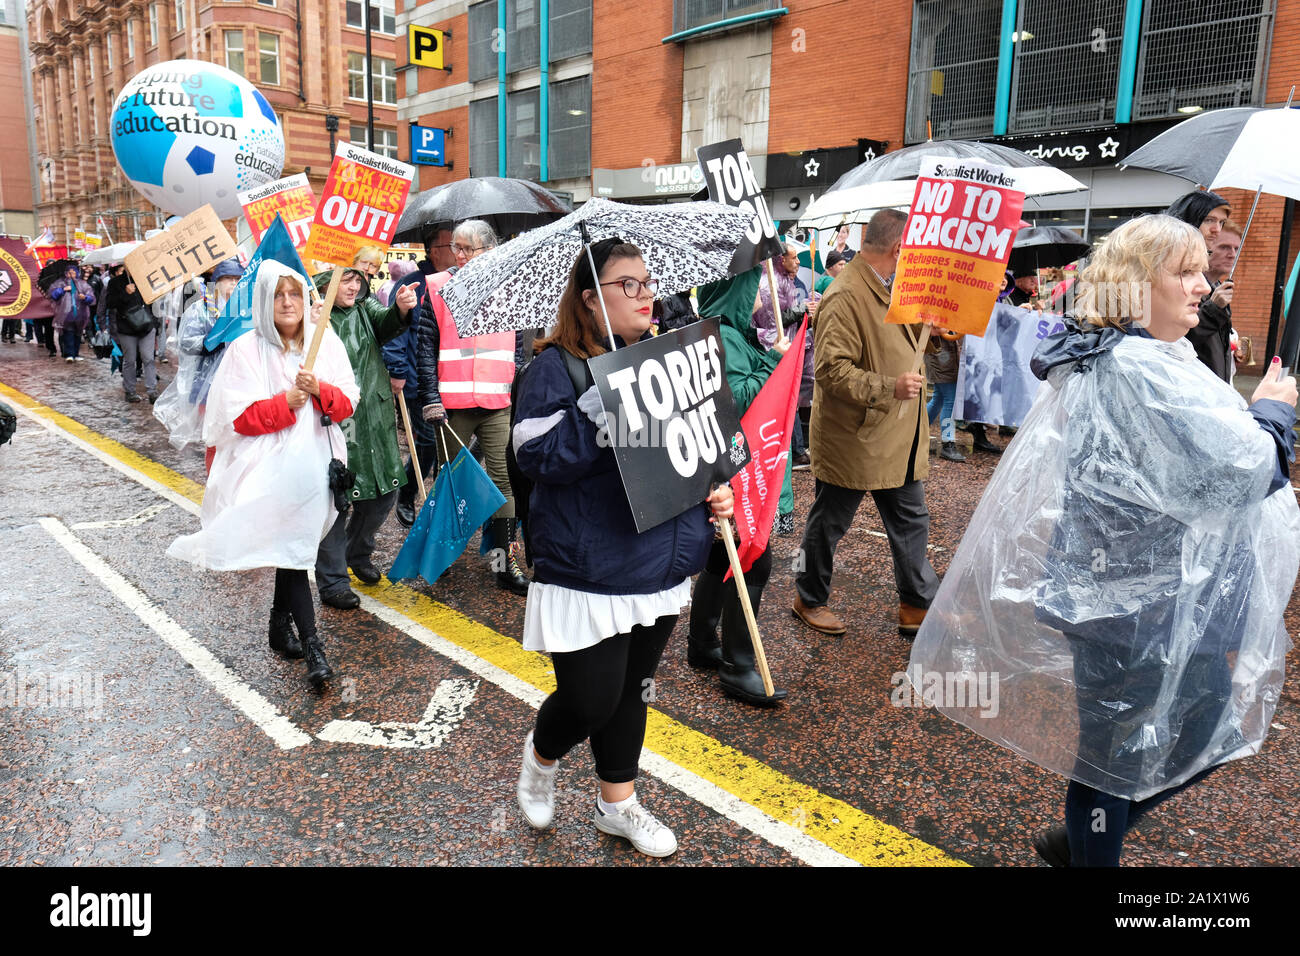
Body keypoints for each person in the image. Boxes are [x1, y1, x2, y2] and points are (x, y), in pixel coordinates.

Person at [909, 214, 1299, 867]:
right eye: (1186, 271)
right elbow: (1238, 471)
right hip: (1121, 602)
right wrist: (1271, 414)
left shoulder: (1144, 355)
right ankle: (1093, 846)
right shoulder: (1135, 366)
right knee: (1112, 758)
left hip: (1150, 593)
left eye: (1206, 269)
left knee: (1201, 735)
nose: (1204, 285)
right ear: (1136, 285)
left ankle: (1086, 836)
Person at [511, 237, 734, 857]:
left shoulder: (668, 362)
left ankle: (618, 804)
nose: (645, 294)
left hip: (660, 563)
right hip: (588, 567)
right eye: (628, 285)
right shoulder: (554, 367)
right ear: (591, 300)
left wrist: (715, 494)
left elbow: (695, 455)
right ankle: (541, 755)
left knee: (635, 689)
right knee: (589, 698)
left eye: (646, 282)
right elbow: (534, 458)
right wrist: (594, 413)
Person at [167, 262, 359, 688]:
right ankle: (313, 646)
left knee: (290, 545)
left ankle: (278, 624)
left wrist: (320, 391)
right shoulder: (244, 350)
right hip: (265, 467)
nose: (287, 303)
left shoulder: (324, 341)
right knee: (291, 547)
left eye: (294, 294)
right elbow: (238, 418)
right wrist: (286, 401)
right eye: (278, 295)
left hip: (315, 465)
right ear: (264, 301)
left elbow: (346, 403)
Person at [791, 207, 939, 638]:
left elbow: (898, 341)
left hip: (894, 433)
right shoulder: (846, 294)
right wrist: (889, 386)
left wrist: (930, 329)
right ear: (898, 248)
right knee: (830, 522)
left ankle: (916, 602)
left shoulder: (886, 285)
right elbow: (831, 371)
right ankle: (808, 597)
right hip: (855, 437)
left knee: (912, 519)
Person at [688, 266, 790, 706]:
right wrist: (775, 360)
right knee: (752, 560)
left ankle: (702, 640)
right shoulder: (723, 336)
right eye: (752, 287)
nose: (760, 295)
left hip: (736, 463)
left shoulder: (729, 331)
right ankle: (738, 665)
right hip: (737, 468)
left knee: (720, 551)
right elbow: (736, 400)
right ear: (735, 290)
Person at [416, 219, 529, 595]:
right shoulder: (437, 288)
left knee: (503, 483)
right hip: (453, 405)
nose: (458, 255)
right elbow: (426, 347)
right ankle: (442, 554)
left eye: (467, 248)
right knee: (451, 482)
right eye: (456, 248)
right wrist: (431, 397)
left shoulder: (510, 287)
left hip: (497, 402)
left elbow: (516, 347)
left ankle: (504, 563)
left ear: (490, 250)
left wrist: (517, 384)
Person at [313, 265, 419, 609]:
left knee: (384, 493)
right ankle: (333, 581)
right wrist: (309, 324)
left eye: (358, 279)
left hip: (375, 415)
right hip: (337, 419)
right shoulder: (314, 314)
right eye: (346, 278)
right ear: (326, 283)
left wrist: (402, 307)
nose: (354, 285)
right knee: (337, 500)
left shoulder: (365, 308)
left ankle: (357, 553)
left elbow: (389, 322)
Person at [155, 259, 243, 451]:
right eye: (228, 278)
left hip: (240, 380)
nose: (233, 283)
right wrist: (212, 342)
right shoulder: (201, 308)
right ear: (217, 281)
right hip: (209, 383)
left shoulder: (247, 309)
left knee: (239, 434)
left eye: (238, 279)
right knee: (215, 438)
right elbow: (187, 341)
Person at [1166, 190, 1234, 382]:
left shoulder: (1210, 281)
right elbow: (1172, 338)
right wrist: (1213, 309)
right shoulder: (1164, 270)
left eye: (1221, 223)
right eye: (1209, 220)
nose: (1217, 230)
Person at [105, 264, 157, 403]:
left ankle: (152, 391)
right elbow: (109, 303)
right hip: (127, 327)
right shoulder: (115, 282)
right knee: (130, 360)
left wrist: (155, 321)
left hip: (146, 325)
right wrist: (125, 293)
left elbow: (153, 301)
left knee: (148, 358)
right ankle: (130, 391)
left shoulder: (145, 279)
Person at [926, 327, 964, 462]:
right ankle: (948, 444)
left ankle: (916, 430)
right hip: (941, 359)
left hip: (944, 359)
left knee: (939, 398)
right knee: (950, 400)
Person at [48, 263, 95, 363]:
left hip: (80, 314)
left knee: (78, 334)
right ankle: (69, 354)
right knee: (68, 334)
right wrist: (63, 290)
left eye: (74, 272)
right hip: (66, 314)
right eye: (69, 272)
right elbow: (53, 295)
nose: (71, 274)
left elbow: (91, 297)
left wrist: (85, 297)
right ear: (66, 273)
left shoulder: (82, 284)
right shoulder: (60, 283)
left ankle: (76, 353)